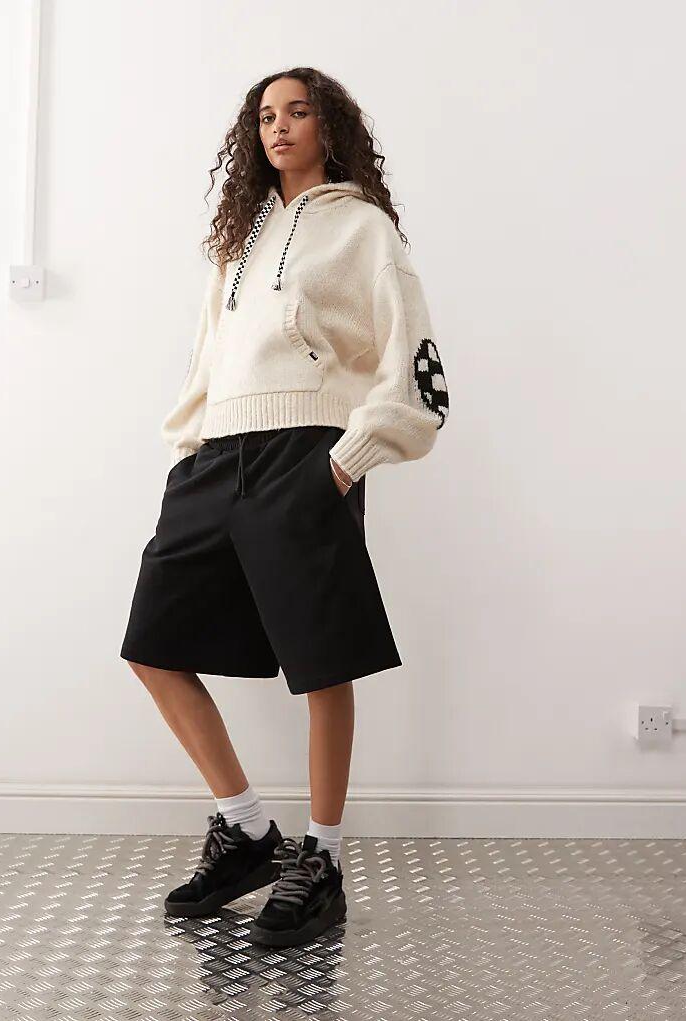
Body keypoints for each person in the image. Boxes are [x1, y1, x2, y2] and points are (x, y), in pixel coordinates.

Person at [120, 67, 449, 948]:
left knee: (322, 661)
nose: (279, 126)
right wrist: (187, 452)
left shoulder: (363, 230)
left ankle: (323, 859)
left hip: (305, 454)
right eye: (266, 115)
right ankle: (247, 829)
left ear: (329, 125)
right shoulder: (239, 237)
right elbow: (206, 358)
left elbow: (419, 376)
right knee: (152, 644)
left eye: (298, 111)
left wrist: (341, 467)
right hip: (213, 460)